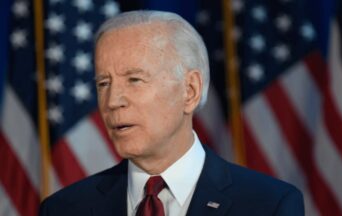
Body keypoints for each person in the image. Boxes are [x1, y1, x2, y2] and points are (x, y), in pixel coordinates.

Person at [39, 10, 304, 216]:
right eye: (103, 83)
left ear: (189, 90)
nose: (112, 101)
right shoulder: (64, 209)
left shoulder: (268, 205)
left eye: (134, 79)